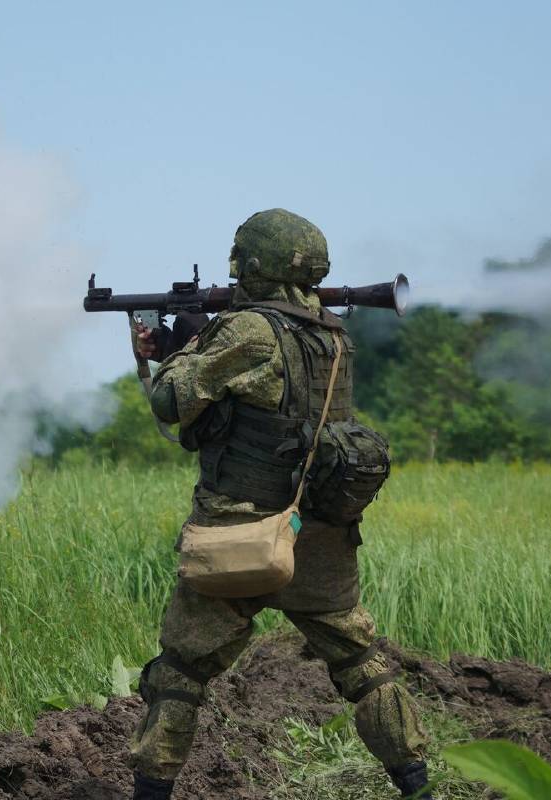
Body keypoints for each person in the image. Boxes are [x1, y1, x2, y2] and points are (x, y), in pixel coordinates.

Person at [127, 209, 431, 800]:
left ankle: (150, 793)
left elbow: (169, 399)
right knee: (361, 663)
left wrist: (181, 345)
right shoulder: (331, 332)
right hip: (318, 530)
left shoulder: (248, 330)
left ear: (253, 264)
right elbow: (271, 400)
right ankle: (416, 784)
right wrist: (189, 339)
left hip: (240, 534)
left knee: (181, 672)